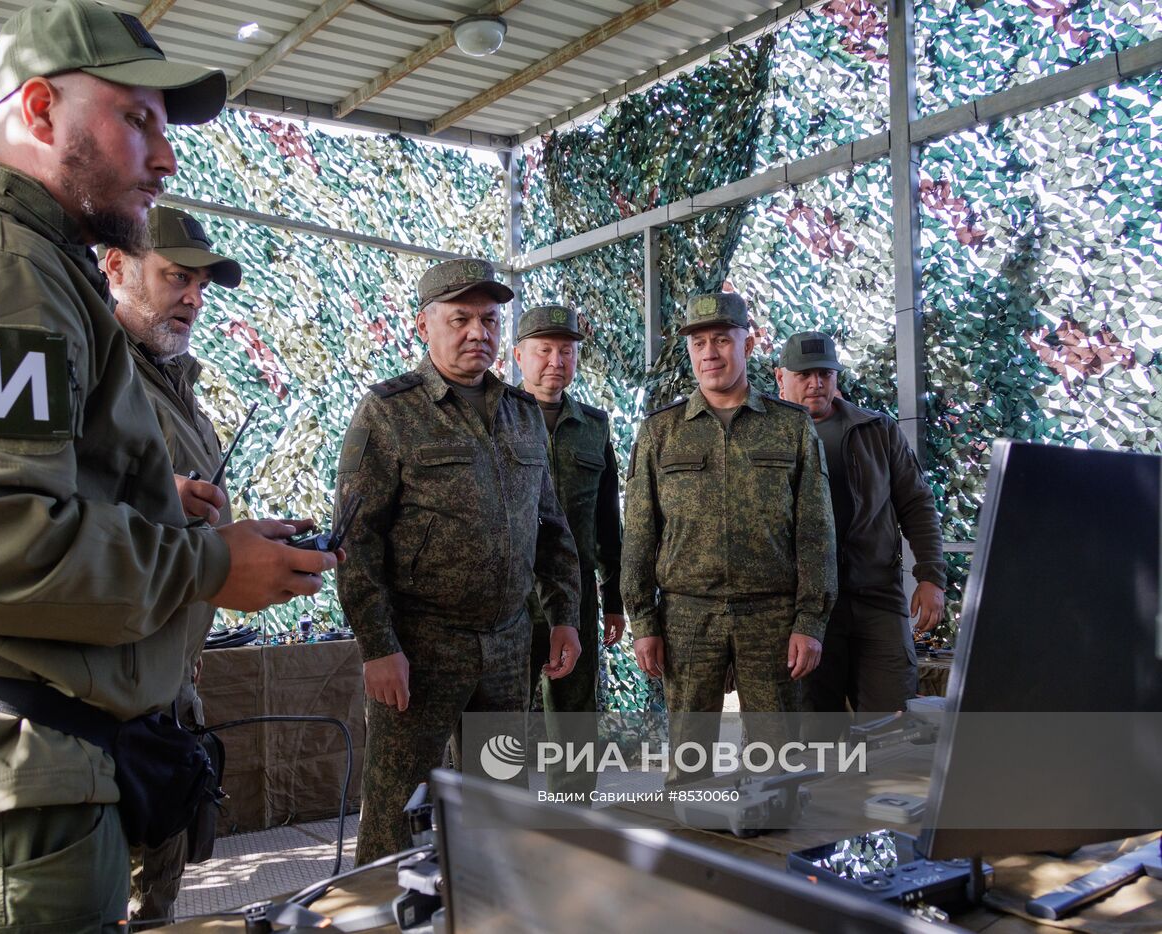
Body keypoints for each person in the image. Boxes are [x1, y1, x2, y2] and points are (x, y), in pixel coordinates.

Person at [0, 2, 337, 929]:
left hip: (0, 791)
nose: (165, 157)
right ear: (42, 110)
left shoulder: (21, 267)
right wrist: (213, 565)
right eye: (136, 120)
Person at [336, 259, 582, 862]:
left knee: (501, 801)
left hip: (506, 647)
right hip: (420, 650)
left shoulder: (522, 414)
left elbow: (552, 528)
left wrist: (566, 614)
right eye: (461, 318)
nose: (478, 332)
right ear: (425, 325)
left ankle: (487, 913)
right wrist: (377, 645)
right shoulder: (389, 411)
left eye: (490, 319)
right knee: (398, 810)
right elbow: (356, 539)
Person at [621, 291, 836, 782]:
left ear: (748, 342)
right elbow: (638, 533)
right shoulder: (661, 432)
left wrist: (811, 618)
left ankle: (766, 851)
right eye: (698, 343)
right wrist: (643, 620)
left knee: (776, 766)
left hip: (773, 618)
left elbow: (816, 532)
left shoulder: (791, 428)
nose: (710, 353)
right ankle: (694, 852)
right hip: (686, 617)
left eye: (722, 339)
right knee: (689, 765)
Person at [103, 204, 242, 927]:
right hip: (103, 691)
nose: (192, 297)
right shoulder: (91, 372)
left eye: (200, 285)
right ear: (116, 268)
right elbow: (36, 514)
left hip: (166, 678)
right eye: (175, 278)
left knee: (159, 886)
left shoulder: (174, 383)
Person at [775, 331, 945, 717]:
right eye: (804, 374)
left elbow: (917, 504)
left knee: (895, 719)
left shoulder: (877, 430)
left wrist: (931, 576)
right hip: (804, 609)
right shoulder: (767, 439)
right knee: (812, 729)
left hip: (877, 598)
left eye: (824, 373)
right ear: (780, 377)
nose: (816, 383)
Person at [511, 304, 623, 796]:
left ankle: (571, 819)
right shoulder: (496, 417)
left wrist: (614, 597)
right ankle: (499, 828)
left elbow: (607, 523)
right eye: (543, 351)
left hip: (575, 599)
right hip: (508, 596)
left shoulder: (594, 427)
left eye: (566, 351)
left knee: (575, 718)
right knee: (500, 718)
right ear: (519, 356)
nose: (555, 361)